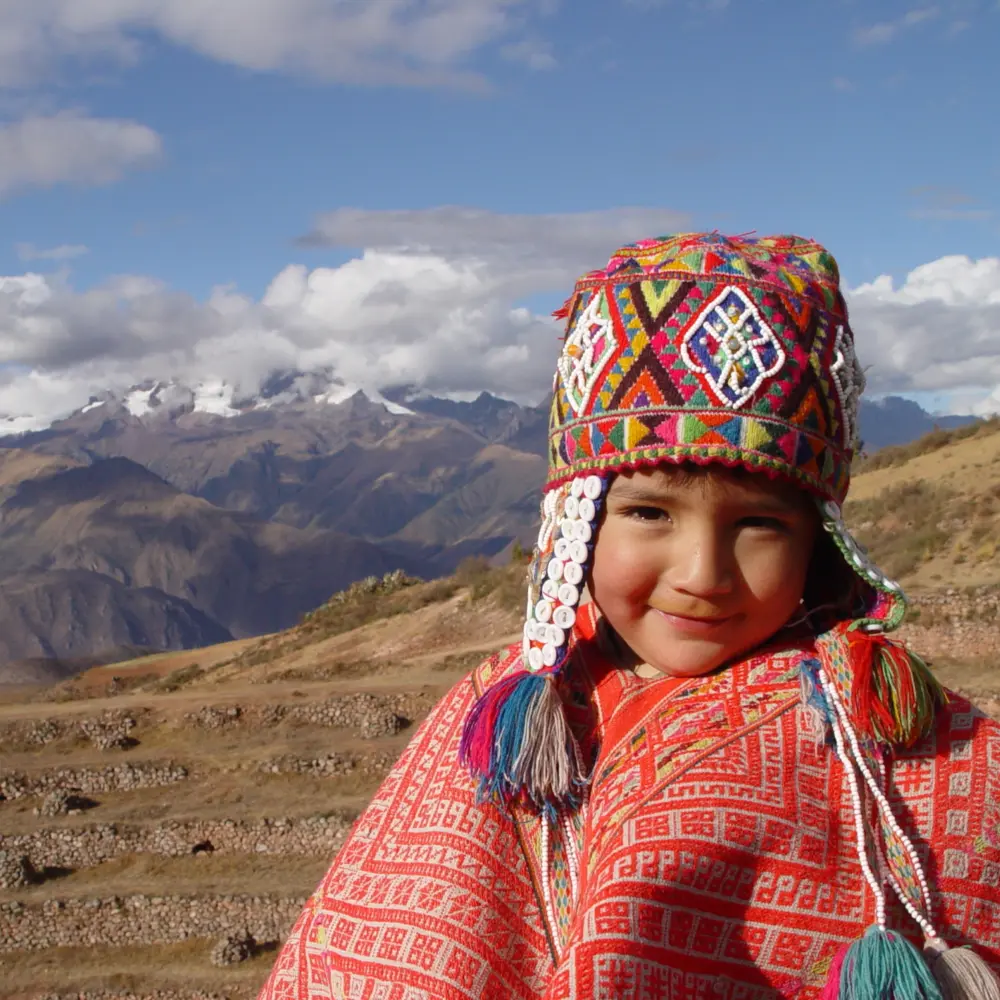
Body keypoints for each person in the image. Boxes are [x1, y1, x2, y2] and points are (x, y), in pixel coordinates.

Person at [258, 234, 1000, 1000]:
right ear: (579, 524)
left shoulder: (882, 733)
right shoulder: (507, 709)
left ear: (819, 540)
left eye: (761, 525)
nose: (702, 576)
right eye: (648, 512)